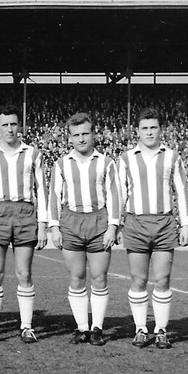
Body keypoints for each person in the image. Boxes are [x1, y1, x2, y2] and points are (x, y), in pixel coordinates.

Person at [118, 107, 188, 349]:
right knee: (139, 279)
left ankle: (161, 330)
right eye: (145, 128)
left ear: (161, 130)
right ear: (137, 131)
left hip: (164, 223)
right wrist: (116, 224)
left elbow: (182, 191)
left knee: (162, 279)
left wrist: (186, 224)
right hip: (136, 223)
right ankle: (140, 329)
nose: (149, 132)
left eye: (153, 127)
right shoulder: (126, 158)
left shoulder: (172, 157)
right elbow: (120, 194)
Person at [0, 104, 48, 344]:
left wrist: (43, 224)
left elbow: (42, 191)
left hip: (25, 213)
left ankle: (26, 326)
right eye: (5, 124)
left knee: (24, 273)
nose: (9, 129)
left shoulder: (32, 153)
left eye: (13, 124)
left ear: (20, 126)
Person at [48, 113, 121, 346]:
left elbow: (115, 195)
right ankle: (82, 328)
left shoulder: (106, 162)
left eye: (85, 133)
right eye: (76, 135)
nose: (81, 139)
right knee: (77, 276)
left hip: (99, 222)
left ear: (93, 134)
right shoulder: (61, 164)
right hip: (71, 222)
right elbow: (54, 196)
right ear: (69, 138)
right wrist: (54, 227)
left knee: (99, 277)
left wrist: (113, 226)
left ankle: (97, 327)